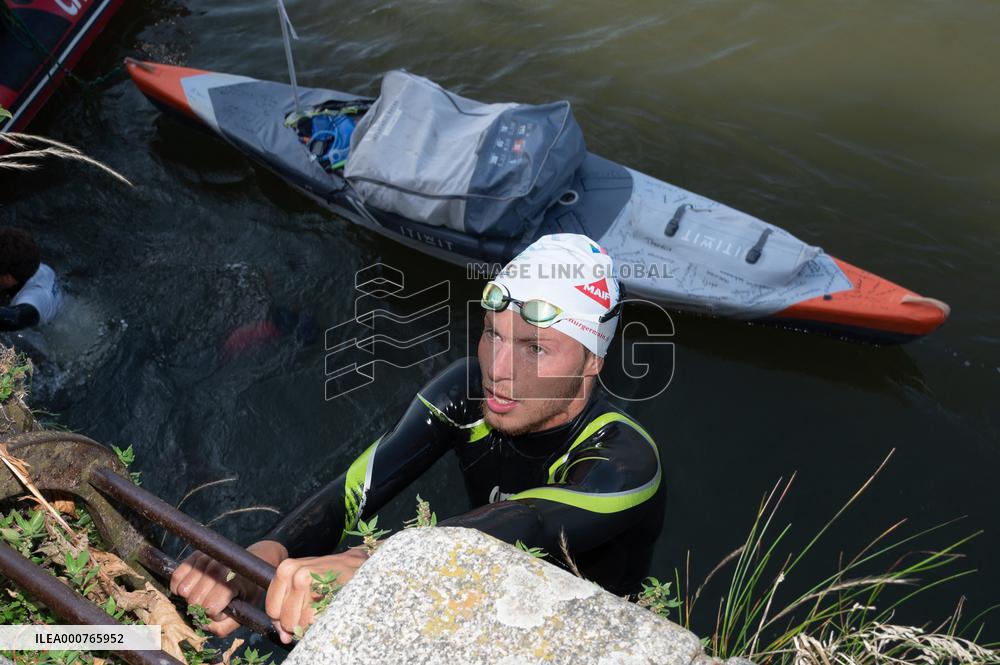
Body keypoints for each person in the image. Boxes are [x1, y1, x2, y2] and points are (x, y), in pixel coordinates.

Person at [171, 233, 665, 642]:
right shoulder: (466, 391)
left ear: (592, 362)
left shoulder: (626, 463)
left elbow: (530, 523)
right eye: (493, 333)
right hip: (469, 590)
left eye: (536, 348)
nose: (498, 370)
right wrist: (270, 551)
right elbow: (354, 488)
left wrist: (374, 562)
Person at [0, 228, 62, 331]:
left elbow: (15, 319)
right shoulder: (26, 262)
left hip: (41, 332)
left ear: (8, 278)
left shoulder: (34, 297)